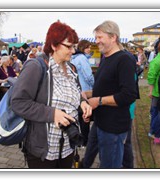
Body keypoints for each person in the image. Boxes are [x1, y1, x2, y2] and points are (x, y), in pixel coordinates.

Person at [11, 21, 92, 169]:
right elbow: (18, 102)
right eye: (69, 46)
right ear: (54, 45)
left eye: (74, 46)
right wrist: (52, 114)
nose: (73, 51)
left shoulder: (72, 68)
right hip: (43, 150)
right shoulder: (36, 66)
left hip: (68, 147)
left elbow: (76, 93)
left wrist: (83, 103)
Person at [87, 20, 137, 168]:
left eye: (100, 37)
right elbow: (108, 87)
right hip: (100, 122)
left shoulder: (124, 60)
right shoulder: (106, 58)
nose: (97, 42)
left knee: (110, 166)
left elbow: (128, 95)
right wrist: (88, 94)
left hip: (113, 127)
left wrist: (99, 101)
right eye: (96, 38)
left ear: (113, 37)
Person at [71, 40, 94, 146]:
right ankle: (85, 141)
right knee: (85, 117)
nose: (89, 49)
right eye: (87, 47)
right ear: (82, 48)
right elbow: (88, 76)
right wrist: (95, 86)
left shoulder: (74, 58)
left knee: (79, 116)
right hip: (85, 90)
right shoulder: (83, 59)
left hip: (77, 89)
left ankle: (79, 139)